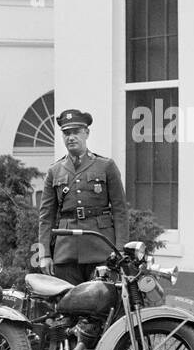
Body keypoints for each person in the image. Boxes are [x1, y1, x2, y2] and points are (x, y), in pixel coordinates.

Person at [38, 109, 129, 285]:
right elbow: (46, 217)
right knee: (69, 306)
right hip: (66, 253)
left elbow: (120, 211)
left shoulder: (105, 166)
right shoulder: (54, 171)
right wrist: (44, 254)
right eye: (66, 133)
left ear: (86, 133)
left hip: (101, 249)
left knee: (104, 304)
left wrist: (120, 251)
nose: (70, 137)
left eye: (75, 132)